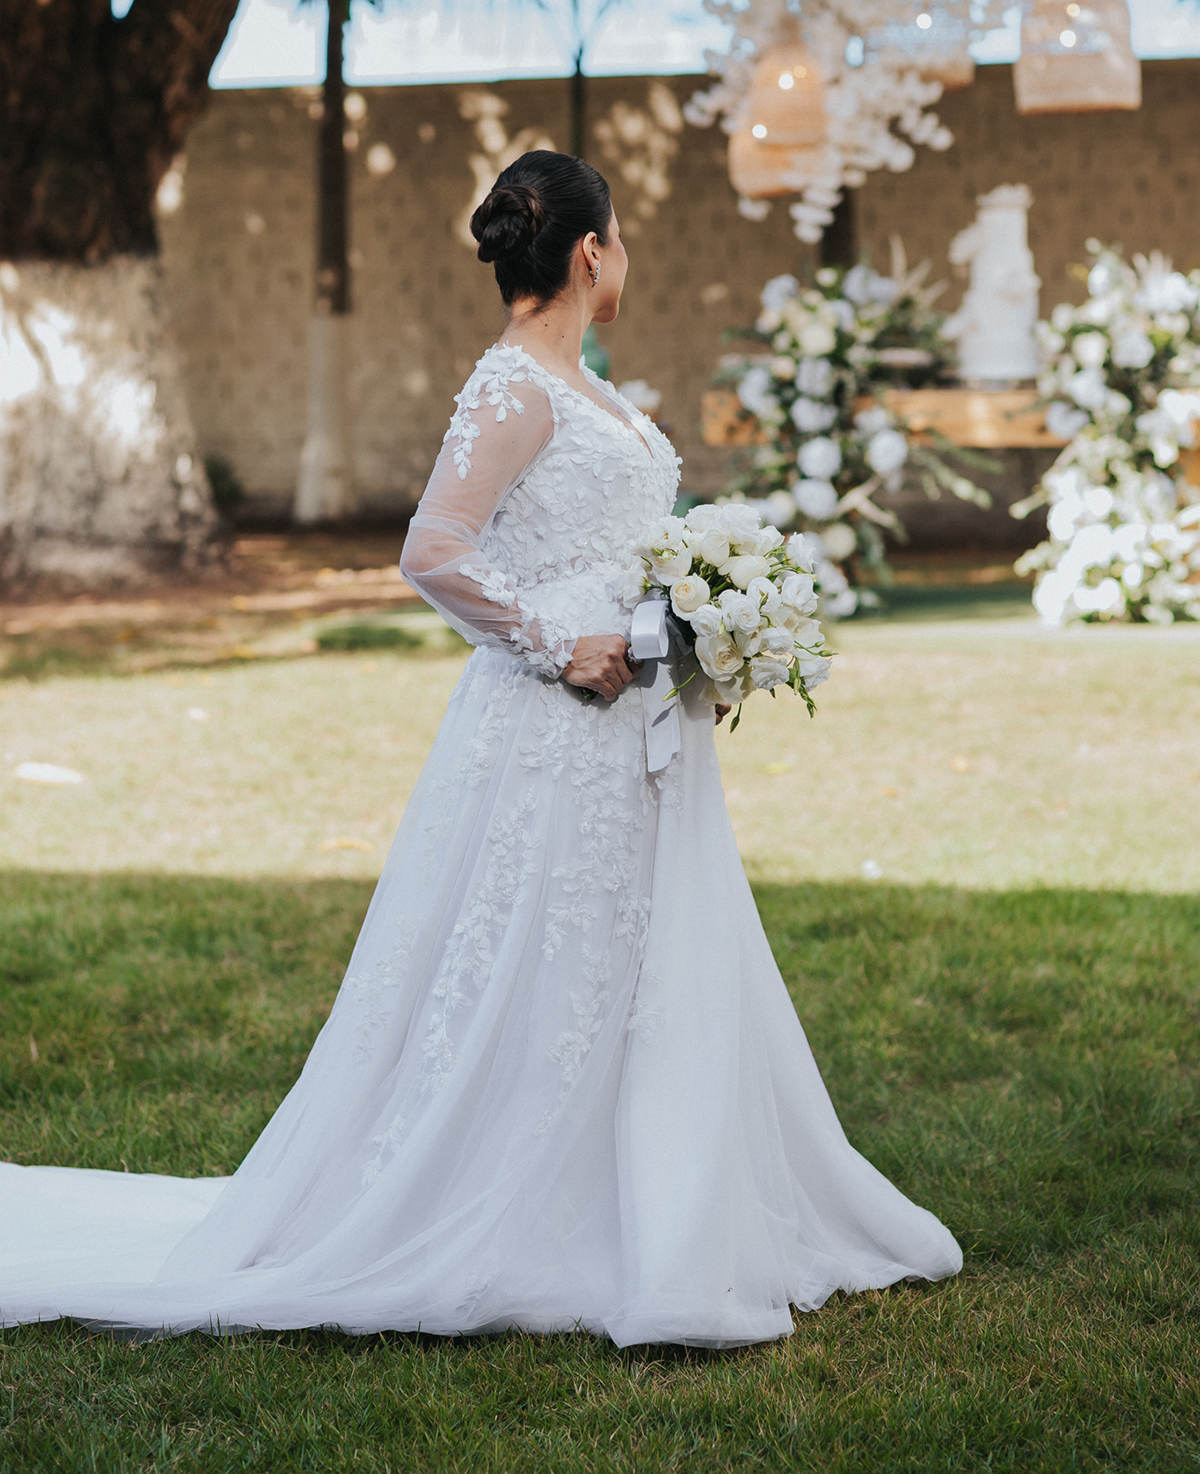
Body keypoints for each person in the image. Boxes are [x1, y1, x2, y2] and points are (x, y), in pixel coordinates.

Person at [0, 151, 961, 1346]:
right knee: (546, 951)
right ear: (589, 252)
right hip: (558, 722)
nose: (626, 257)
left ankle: (664, 1198)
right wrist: (560, 645)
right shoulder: (514, 387)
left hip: (640, 718)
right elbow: (435, 548)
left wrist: (700, 630)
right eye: (621, 238)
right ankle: (529, 1209)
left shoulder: (585, 385)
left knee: (646, 955)